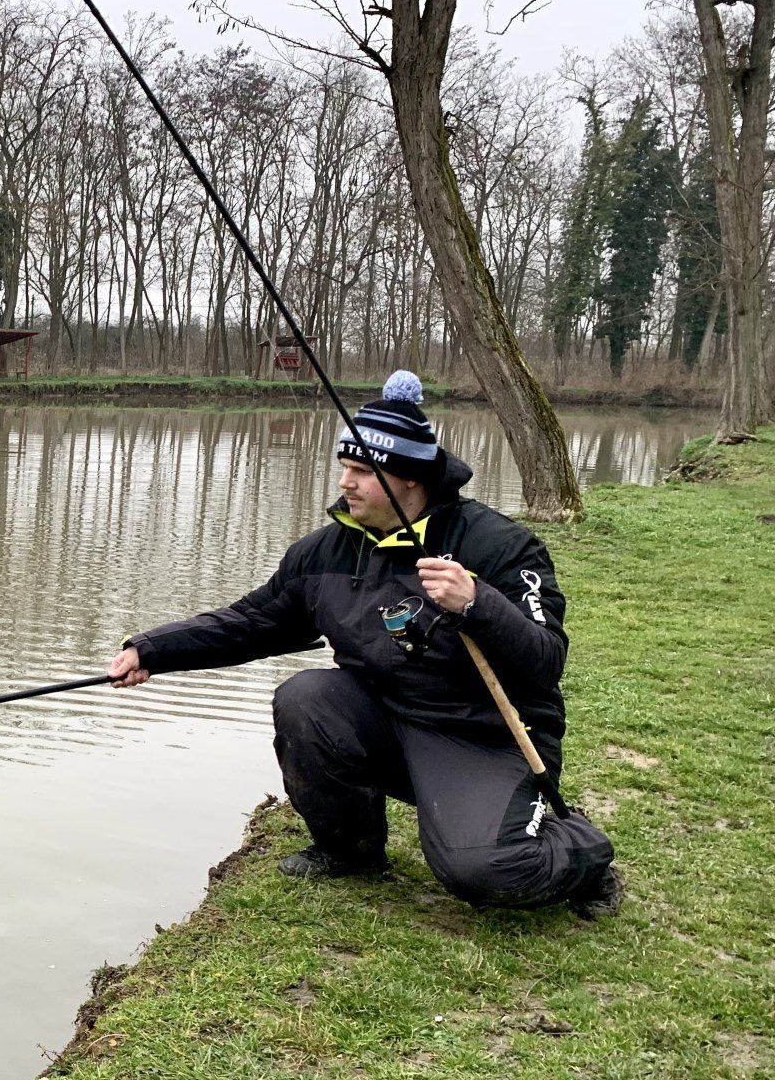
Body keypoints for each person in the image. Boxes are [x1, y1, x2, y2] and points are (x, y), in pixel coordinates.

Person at [108, 370, 622, 918]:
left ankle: (585, 853)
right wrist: (153, 650)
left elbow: (546, 661)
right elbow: (252, 622)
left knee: (486, 872)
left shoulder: (500, 546)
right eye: (345, 469)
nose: (346, 483)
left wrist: (478, 604)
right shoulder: (325, 551)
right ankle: (349, 851)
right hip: (385, 718)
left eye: (361, 471)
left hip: (483, 737)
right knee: (306, 698)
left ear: (409, 480)